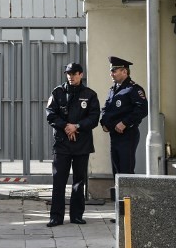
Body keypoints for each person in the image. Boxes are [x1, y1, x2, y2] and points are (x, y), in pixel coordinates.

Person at [45, 62, 100, 227]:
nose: (71, 76)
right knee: (59, 181)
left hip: (81, 144)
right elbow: (50, 114)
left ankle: (76, 215)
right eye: (68, 73)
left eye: (74, 73)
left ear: (81, 74)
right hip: (62, 144)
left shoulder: (90, 95)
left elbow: (94, 118)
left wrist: (76, 126)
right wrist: (66, 127)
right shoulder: (58, 92)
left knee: (78, 182)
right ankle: (56, 217)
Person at [100, 56, 148, 176]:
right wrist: (104, 123)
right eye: (111, 71)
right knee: (116, 172)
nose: (111, 74)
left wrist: (125, 123)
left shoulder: (133, 89)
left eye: (114, 71)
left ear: (124, 71)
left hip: (128, 135)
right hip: (114, 135)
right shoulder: (113, 89)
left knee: (126, 172)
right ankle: (118, 195)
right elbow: (105, 108)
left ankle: (126, 196)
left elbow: (142, 109)